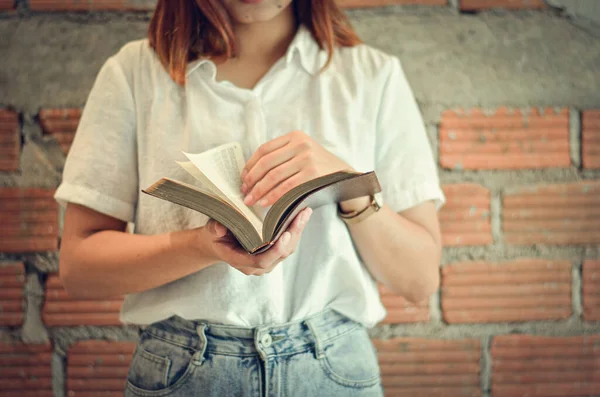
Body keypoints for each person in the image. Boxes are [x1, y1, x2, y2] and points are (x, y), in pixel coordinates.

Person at [54, 0, 445, 395]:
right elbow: (79, 269)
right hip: (183, 369)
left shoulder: (372, 77)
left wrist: (348, 185)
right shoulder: (133, 73)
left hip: (332, 368)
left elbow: (420, 280)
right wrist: (202, 246)